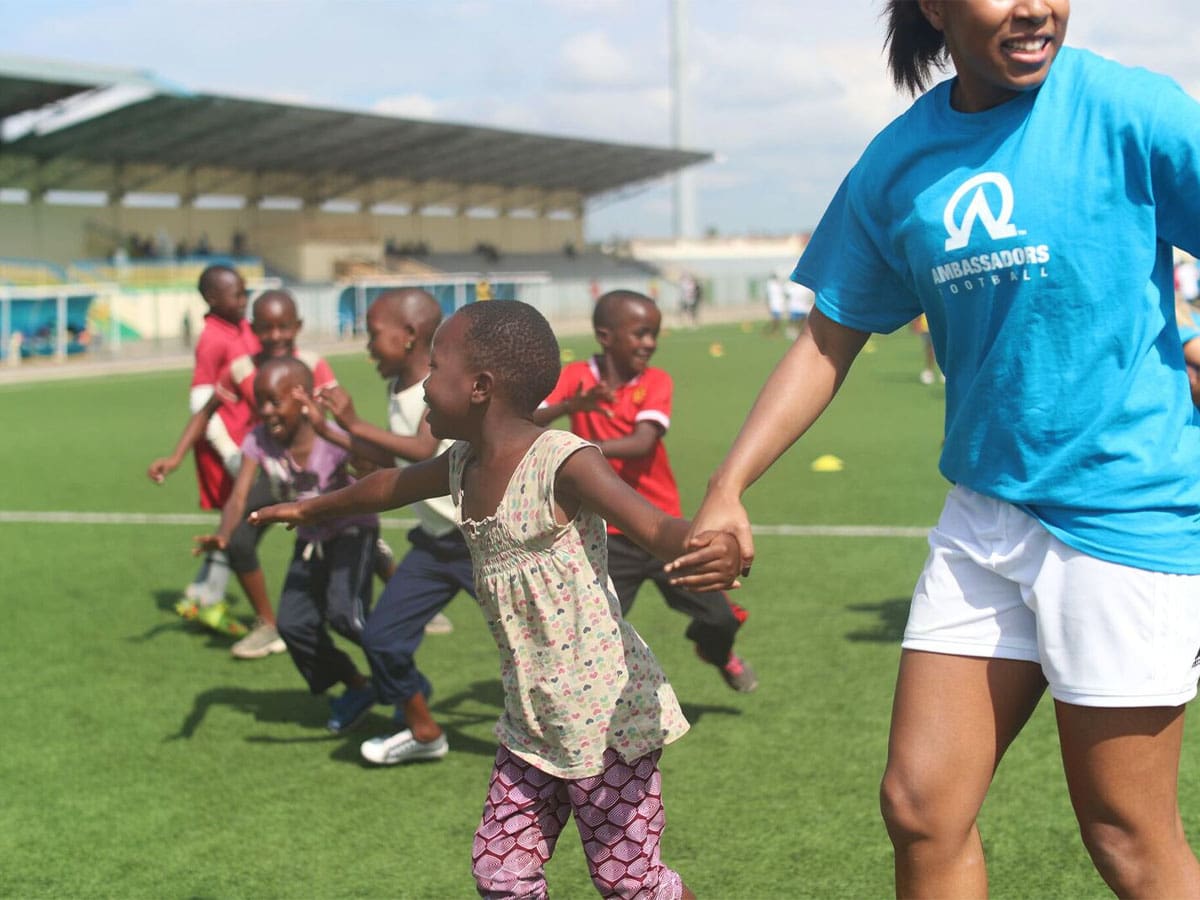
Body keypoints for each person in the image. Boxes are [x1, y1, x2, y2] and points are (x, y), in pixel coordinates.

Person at [685, 2, 1200, 896]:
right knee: (922, 809)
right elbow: (825, 338)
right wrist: (730, 485)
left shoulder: (1132, 110)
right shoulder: (897, 161)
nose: (1035, 5)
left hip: (1125, 516)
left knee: (1126, 834)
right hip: (984, 519)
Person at [251, 300, 741, 899]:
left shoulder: (564, 461)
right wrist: (311, 506)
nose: (426, 383)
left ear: (480, 387)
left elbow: (655, 528)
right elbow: (386, 486)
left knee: (629, 882)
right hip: (529, 721)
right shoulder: (462, 464)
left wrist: (705, 544)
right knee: (501, 875)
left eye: (437, 367)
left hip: (604, 718)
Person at [535, 289, 757, 692]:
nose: (650, 343)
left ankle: (718, 652)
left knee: (720, 619)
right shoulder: (575, 378)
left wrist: (575, 451)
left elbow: (643, 442)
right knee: (594, 631)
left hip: (661, 527)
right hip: (608, 535)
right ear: (605, 336)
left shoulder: (655, 382)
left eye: (654, 334)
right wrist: (569, 408)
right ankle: (587, 709)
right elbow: (529, 418)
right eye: (640, 333)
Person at [306, 288, 470, 761]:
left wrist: (354, 423)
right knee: (382, 637)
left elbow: (421, 450)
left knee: (528, 642)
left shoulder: (442, 385)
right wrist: (330, 431)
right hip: (438, 543)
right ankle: (423, 733)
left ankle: (579, 728)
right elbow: (394, 454)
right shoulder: (396, 386)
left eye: (374, 333)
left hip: (482, 541)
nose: (367, 344)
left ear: (410, 336)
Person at [148, 290, 336, 657]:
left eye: (284, 327)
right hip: (271, 470)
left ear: (297, 327)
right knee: (237, 539)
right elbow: (204, 412)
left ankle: (406, 593)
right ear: (253, 328)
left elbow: (339, 410)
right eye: (267, 328)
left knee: (351, 532)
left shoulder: (312, 363)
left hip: (316, 471)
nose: (277, 336)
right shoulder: (241, 368)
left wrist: (354, 451)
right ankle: (268, 624)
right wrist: (175, 457)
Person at [197, 357, 377, 731]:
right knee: (294, 625)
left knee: (345, 616)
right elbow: (239, 495)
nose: (265, 411)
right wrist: (225, 535)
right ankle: (359, 687)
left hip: (351, 533)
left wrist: (334, 433)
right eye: (259, 402)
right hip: (310, 538)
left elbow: (374, 467)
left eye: (274, 401)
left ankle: (405, 689)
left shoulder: (327, 436)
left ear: (301, 398)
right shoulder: (258, 440)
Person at [174, 265, 258, 627]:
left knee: (234, 519)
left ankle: (198, 593)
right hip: (226, 449)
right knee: (235, 521)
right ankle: (211, 600)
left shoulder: (241, 327)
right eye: (236, 294)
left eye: (244, 293)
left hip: (248, 442)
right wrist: (228, 453)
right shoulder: (211, 338)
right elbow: (201, 401)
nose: (244, 300)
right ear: (212, 298)